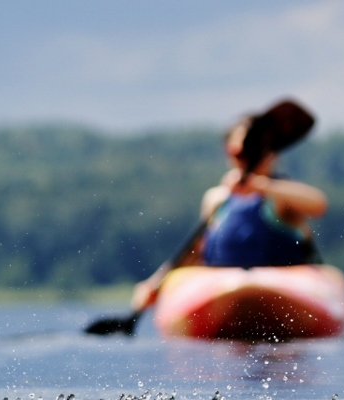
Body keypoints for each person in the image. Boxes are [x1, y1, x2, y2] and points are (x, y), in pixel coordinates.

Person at [131, 102, 327, 312]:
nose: (246, 158)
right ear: (229, 152)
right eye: (239, 153)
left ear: (271, 154)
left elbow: (318, 204)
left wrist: (262, 186)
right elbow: (194, 252)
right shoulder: (216, 199)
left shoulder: (282, 196)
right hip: (221, 289)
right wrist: (156, 283)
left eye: (253, 151)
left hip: (283, 290)